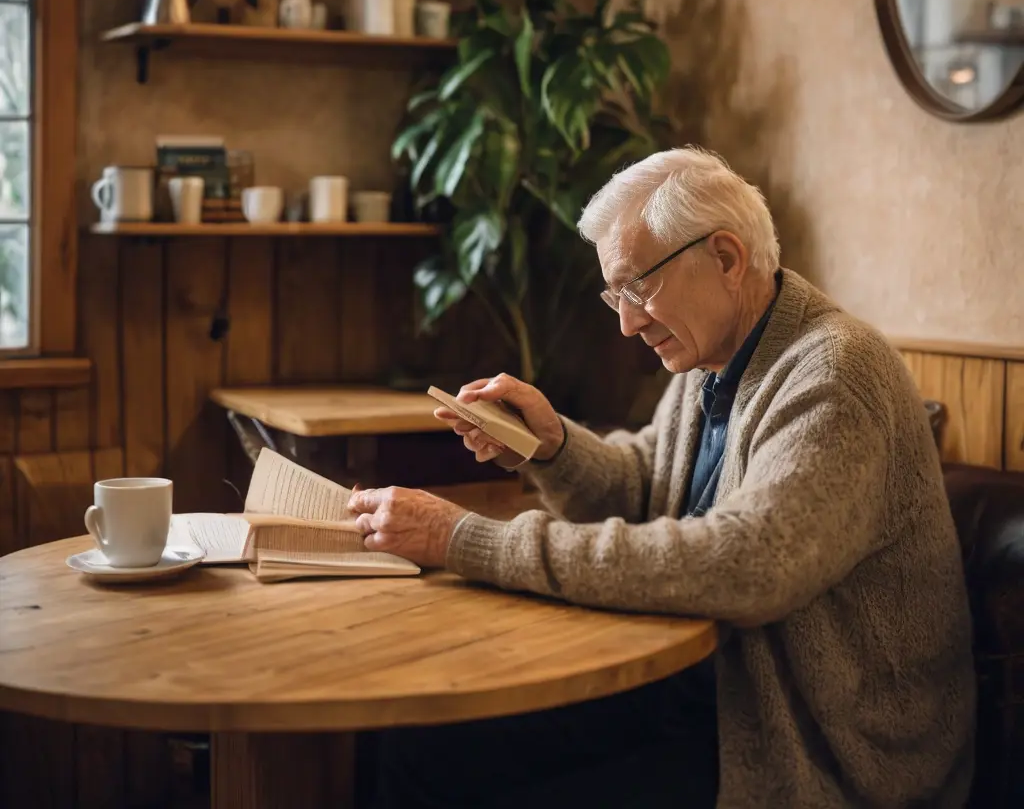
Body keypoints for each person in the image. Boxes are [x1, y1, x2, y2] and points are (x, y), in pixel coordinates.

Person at [348, 146, 975, 808]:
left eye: (638, 287)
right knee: (417, 744)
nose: (625, 323)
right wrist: (551, 446)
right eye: (613, 294)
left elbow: (750, 563)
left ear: (727, 259)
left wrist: (466, 542)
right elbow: (646, 489)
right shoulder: (712, 358)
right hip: (706, 701)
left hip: (813, 751)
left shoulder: (838, 374)